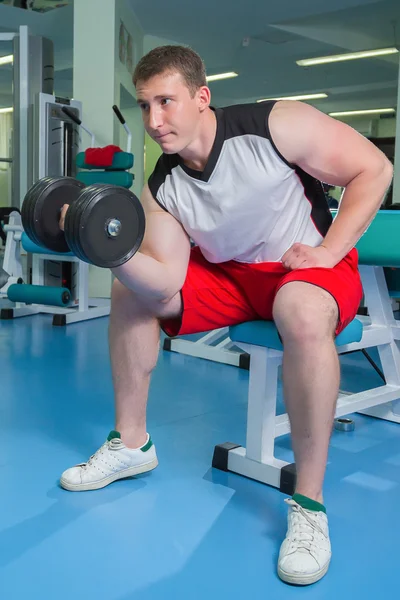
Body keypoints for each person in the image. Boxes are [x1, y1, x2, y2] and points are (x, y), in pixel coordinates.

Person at [59, 45, 393, 585]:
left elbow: (375, 168)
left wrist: (330, 252)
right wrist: (106, 249)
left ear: (202, 97)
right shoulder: (162, 185)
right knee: (130, 291)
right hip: (232, 277)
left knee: (299, 308)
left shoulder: (274, 125)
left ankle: (309, 506)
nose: (154, 121)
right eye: (144, 106)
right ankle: (132, 443)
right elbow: (166, 281)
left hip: (306, 265)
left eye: (165, 101)